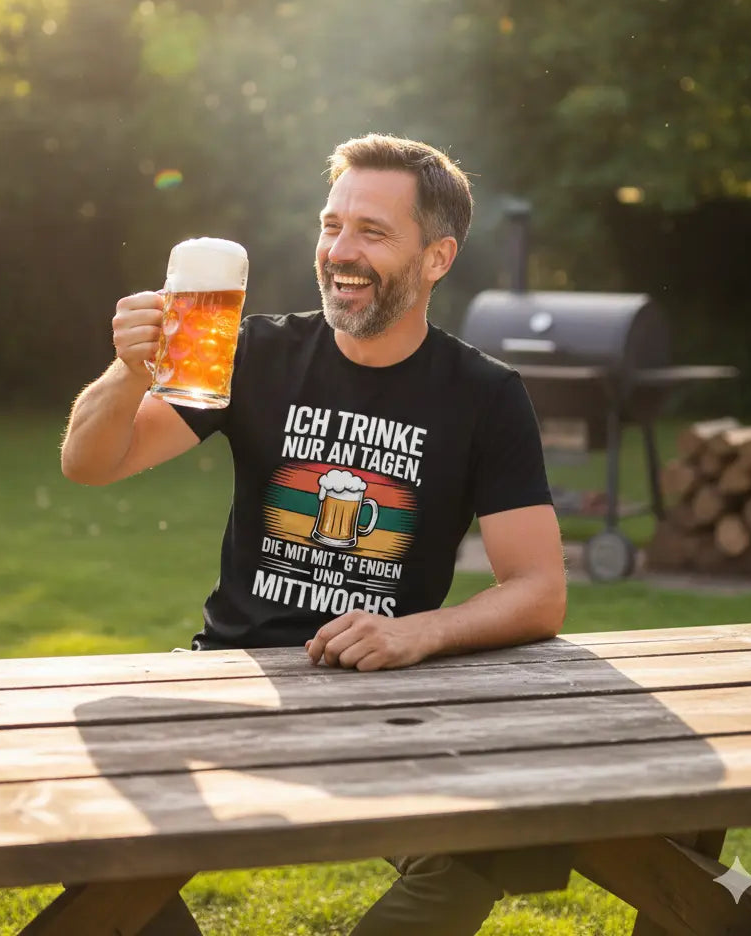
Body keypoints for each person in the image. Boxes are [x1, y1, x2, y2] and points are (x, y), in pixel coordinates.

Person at [61, 134, 567, 936]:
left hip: (382, 700)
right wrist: (130, 369)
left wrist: (416, 635)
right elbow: (92, 464)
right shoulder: (250, 351)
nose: (340, 251)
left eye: (372, 231)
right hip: (233, 676)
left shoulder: (486, 396)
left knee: (490, 843)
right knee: (83, 807)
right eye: (331, 226)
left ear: (437, 257)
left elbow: (540, 591)